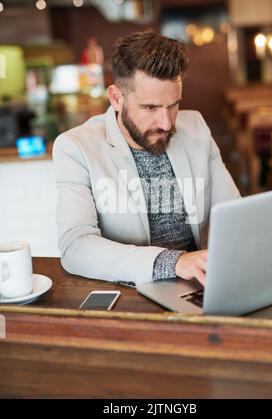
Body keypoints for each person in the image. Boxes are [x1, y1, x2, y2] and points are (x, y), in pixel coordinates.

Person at [53, 30, 240, 288]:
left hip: (194, 286)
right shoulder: (76, 147)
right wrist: (174, 262)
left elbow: (233, 217)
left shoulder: (195, 126)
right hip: (128, 289)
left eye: (173, 105)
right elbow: (75, 246)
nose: (165, 123)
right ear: (117, 98)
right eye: (150, 108)